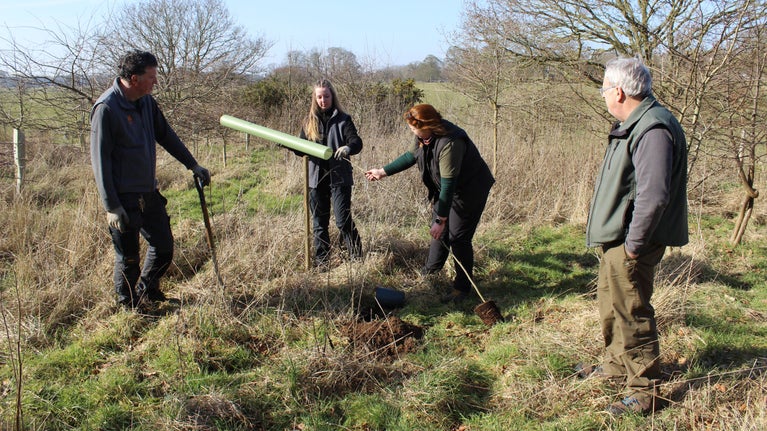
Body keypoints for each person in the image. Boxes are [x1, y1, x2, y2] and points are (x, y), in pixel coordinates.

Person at [581, 56, 688, 416]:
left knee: (632, 312)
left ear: (620, 91)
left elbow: (654, 194)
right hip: (618, 238)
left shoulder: (653, 128)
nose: (604, 97)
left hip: (632, 240)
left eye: (605, 90)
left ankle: (645, 389)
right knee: (612, 306)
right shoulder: (634, 123)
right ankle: (615, 366)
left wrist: (633, 245)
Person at [90, 50, 211, 310]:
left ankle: (148, 291)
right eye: (152, 77)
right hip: (123, 197)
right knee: (128, 258)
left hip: (148, 192)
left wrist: (193, 164)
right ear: (134, 79)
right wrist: (111, 206)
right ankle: (129, 307)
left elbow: (166, 136)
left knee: (164, 247)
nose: (156, 82)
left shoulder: (146, 103)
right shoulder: (107, 109)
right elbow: (101, 162)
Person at [365, 104, 495, 303]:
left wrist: (441, 218)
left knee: (458, 238)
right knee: (439, 233)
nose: (411, 131)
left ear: (427, 124)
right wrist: (383, 171)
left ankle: (462, 288)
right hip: (447, 190)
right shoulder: (423, 137)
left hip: (469, 190)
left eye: (412, 128)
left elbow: (448, 184)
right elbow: (411, 156)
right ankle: (430, 273)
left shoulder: (451, 142)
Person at [298, 79, 363, 268]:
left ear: (332, 96)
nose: (323, 100)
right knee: (319, 224)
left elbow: (357, 142)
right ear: (315, 98)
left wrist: (348, 148)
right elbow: (301, 149)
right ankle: (322, 262)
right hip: (316, 179)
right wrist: (286, 143)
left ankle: (357, 259)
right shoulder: (309, 121)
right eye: (319, 96)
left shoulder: (344, 119)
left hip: (339, 178)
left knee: (342, 221)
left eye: (326, 96)